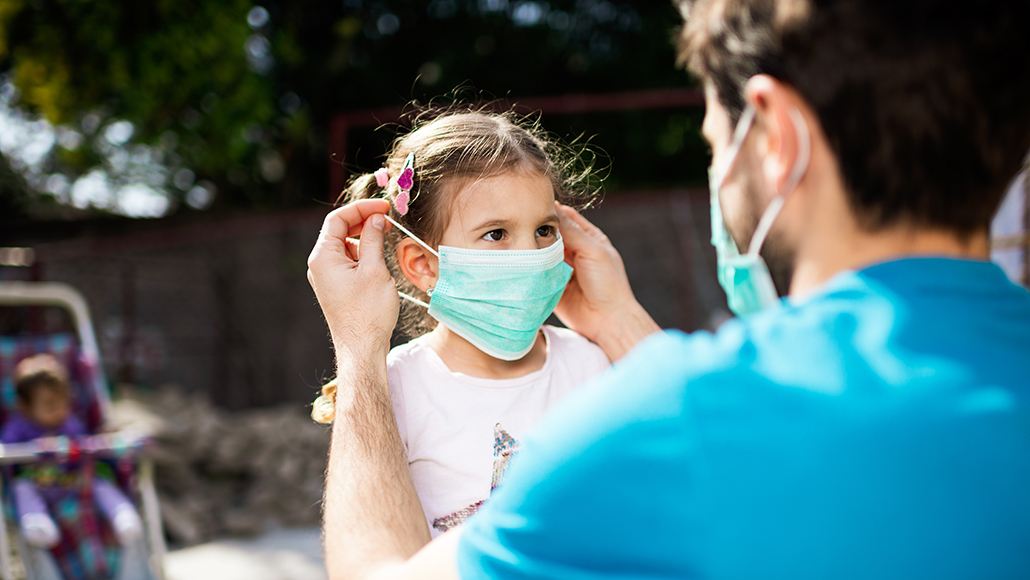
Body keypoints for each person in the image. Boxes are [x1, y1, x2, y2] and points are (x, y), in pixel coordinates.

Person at [307, 0, 1030, 578]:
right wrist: (620, 321)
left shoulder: (672, 425)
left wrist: (357, 348)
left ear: (777, 136)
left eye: (715, 138)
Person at [310, 110, 610, 537]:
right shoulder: (391, 390)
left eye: (544, 229)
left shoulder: (591, 364)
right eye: (496, 233)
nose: (530, 253)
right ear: (423, 265)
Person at [3, 354, 143, 550]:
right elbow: (7, 450)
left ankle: (122, 515)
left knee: (98, 482)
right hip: (38, 483)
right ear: (25, 407)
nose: (60, 410)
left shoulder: (70, 423)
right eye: (50, 405)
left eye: (64, 403)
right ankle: (37, 524)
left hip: (71, 482)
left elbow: (83, 444)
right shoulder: (17, 427)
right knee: (21, 489)